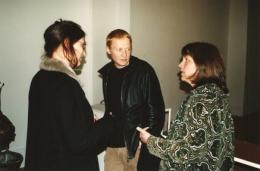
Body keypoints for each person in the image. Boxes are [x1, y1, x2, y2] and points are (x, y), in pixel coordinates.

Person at [25, 19, 115, 171]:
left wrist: (85, 119)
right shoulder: (65, 84)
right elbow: (80, 142)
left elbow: (55, 126)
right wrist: (109, 120)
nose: (84, 53)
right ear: (67, 43)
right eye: (82, 45)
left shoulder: (39, 77)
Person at [137, 42, 235, 171]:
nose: (180, 65)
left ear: (202, 65)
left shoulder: (202, 100)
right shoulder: (215, 94)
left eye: (186, 60)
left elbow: (187, 151)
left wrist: (149, 140)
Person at [98, 29, 165, 171]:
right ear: (108, 50)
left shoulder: (144, 70)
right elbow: (111, 108)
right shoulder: (107, 73)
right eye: (119, 49)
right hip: (112, 144)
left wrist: (148, 139)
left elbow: (156, 108)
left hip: (135, 146)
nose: (125, 54)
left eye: (128, 49)